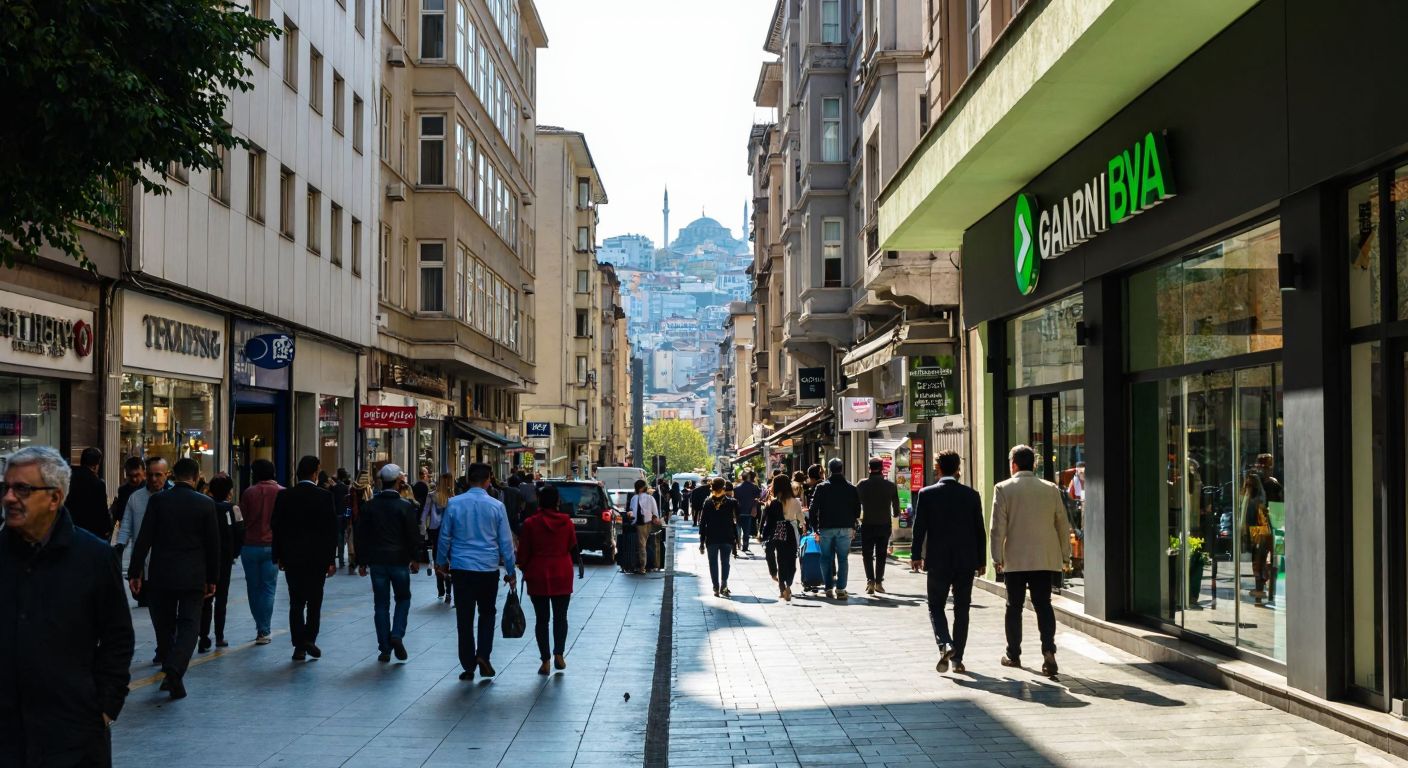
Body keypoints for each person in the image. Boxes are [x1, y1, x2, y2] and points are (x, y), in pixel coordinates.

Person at [0, 446, 135, 765]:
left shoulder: (94, 558)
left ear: (54, 498)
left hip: (73, 733)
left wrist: (103, 708)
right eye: (4, 487)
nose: (8, 498)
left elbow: (118, 637)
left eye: (22, 489)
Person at [128, 457, 219, 700]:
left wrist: (135, 571)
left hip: (161, 575)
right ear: (197, 476)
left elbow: (143, 538)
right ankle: (175, 669)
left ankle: (171, 668)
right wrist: (213, 577)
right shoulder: (205, 504)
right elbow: (213, 546)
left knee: (164, 626)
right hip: (192, 576)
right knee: (190, 625)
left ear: (172, 476)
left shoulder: (158, 501)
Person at [991, 444, 1072, 677]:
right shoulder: (1050, 488)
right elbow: (1062, 524)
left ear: (1013, 464)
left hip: (1015, 559)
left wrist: (996, 557)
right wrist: (1065, 555)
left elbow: (998, 527)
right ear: (1034, 464)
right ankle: (1049, 651)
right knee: (1043, 605)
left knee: (1013, 607)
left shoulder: (1003, 488)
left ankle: (1013, 654)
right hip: (1044, 558)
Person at [437, 462, 517, 680]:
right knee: (487, 613)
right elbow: (505, 542)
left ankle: (468, 664)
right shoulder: (496, 506)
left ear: (468, 480)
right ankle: (483, 654)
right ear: (488, 481)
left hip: (462, 568)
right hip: (488, 569)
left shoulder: (453, 504)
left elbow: (445, 536)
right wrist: (511, 570)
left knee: (464, 617)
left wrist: (440, 561)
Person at [911, 450, 985, 674]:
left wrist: (916, 555)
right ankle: (958, 659)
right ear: (957, 469)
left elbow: (919, 528)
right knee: (962, 609)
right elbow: (979, 531)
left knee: (936, 605)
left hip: (938, 560)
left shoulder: (926, 494)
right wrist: (981, 560)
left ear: (938, 468)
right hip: (965, 561)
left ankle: (945, 643)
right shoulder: (972, 495)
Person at [272, 456, 339, 661]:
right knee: (315, 601)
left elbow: (277, 527)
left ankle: (299, 645)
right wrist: (330, 559)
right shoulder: (324, 496)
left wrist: (279, 555)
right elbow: (331, 531)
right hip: (317, 559)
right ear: (315, 473)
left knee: (296, 601)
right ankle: (310, 638)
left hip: (293, 558)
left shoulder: (285, 496)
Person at [356, 464, 422, 662]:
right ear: (398, 482)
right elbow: (412, 535)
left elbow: (361, 535)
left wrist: (361, 561)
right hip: (399, 560)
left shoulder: (369, 506)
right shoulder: (405, 506)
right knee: (403, 598)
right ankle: (397, 634)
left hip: (377, 561)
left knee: (381, 604)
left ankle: (384, 648)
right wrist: (415, 558)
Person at [516, 485, 578, 675]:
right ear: (557, 501)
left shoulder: (530, 523)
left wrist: (523, 566)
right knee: (561, 616)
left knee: (542, 620)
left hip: (538, 573)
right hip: (562, 572)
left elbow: (524, 551)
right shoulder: (567, 522)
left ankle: (545, 660)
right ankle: (559, 653)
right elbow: (571, 545)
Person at [239, 458, 283, 644]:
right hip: (272, 546)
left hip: (249, 546)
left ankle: (260, 626)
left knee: (253, 588)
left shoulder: (249, 492)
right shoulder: (282, 492)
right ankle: (263, 630)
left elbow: (242, 519)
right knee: (268, 588)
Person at [199, 475, 245, 652]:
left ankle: (203, 637)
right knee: (221, 598)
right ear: (229, 491)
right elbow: (240, 532)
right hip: (224, 560)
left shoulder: (204, 505)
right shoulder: (233, 509)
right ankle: (219, 636)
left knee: (206, 598)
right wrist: (234, 553)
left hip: (205, 558)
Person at [808, 458, 861, 600]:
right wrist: (853, 524)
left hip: (826, 528)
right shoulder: (851, 488)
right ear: (842, 468)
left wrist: (815, 528)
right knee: (843, 559)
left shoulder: (822, 487)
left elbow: (813, 510)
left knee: (825, 558)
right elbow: (857, 510)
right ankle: (841, 589)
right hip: (845, 528)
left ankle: (828, 588)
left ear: (830, 469)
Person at [856, 457, 902, 594]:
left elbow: (855, 503)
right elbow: (896, 507)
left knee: (867, 553)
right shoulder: (890, 485)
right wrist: (895, 514)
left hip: (868, 523)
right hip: (884, 523)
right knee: (881, 554)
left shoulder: (862, 485)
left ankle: (870, 580)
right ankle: (879, 582)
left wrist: (857, 517)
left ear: (869, 468)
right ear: (882, 468)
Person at [760, 474, 803, 601]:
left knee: (781, 559)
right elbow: (801, 519)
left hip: (777, 531)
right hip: (790, 530)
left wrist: (762, 534)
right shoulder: (795, 501)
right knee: (791, 559)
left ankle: (782, 587)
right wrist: (802, 526)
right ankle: (788, 584)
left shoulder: (772, 503)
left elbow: (767, 521)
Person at [697, 477, 739, 597]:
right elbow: (734, 522)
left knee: (713, 563)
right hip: (727, 536)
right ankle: (724, 585)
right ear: (724, 488)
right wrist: (736, 540)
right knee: (725, 562)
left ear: (712, 488)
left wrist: (701, 541)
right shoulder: (732, 502)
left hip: (711, 537)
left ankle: (715, 586)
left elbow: (702, 522)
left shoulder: (707, 502)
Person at [67, 446, 112, 541]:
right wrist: (108, 528)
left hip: (72, 528)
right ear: (96, 465)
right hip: (92, 532)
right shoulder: (98, 483)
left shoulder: (69, 479)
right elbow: (102, 510)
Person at [423, 472, 455, 604]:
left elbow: (425, 512)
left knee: (438, 560)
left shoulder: (432, 496)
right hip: (451, 532)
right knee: (449, 561)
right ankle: (448, 591)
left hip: (435, 530)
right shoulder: (454, 498)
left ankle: (441, 589)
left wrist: (423, 529)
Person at [628, 479, 660, 574]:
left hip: (640, 523)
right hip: (647, 522)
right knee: (644, 544)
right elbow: (655, 511)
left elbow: (631, 510)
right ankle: (646, 565)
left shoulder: (635, 498)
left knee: (642, 545)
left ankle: (643, 566)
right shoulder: (649, 498)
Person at [109, 456, 145, 537]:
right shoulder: (122, 490)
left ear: (144, 472)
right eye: (130, 476)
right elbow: (120, 515)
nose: (134, 479)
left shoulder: (150, 490)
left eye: (137, 475)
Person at [349, 470, 373, 575]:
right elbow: (370, 504)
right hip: (364, 520)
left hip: (354, 519)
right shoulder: (367, 489)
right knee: (363, 542)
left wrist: (347, 520)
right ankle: (362, 563)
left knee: (354, 542)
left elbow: (348, 506)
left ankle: (354, 562)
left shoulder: (352, 488)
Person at [734, 471, 761, 554]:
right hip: (748, 511)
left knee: (738, 529)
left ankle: (738, 544)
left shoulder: (736, 488)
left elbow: (734, 500)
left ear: (742, 477)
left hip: (738, 511)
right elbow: (757, 498)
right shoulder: (754, 487)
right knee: (746, 530)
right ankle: (745, 546)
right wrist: (754, 507)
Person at [331, 468, 351, 570]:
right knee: (342, 537)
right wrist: (348, 516)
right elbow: (348, 505)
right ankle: (341, 560)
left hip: (335, 515)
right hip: (343, 515)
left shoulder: (333, 488)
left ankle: (333, 560)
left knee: (336, 538)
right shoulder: (347, 488)